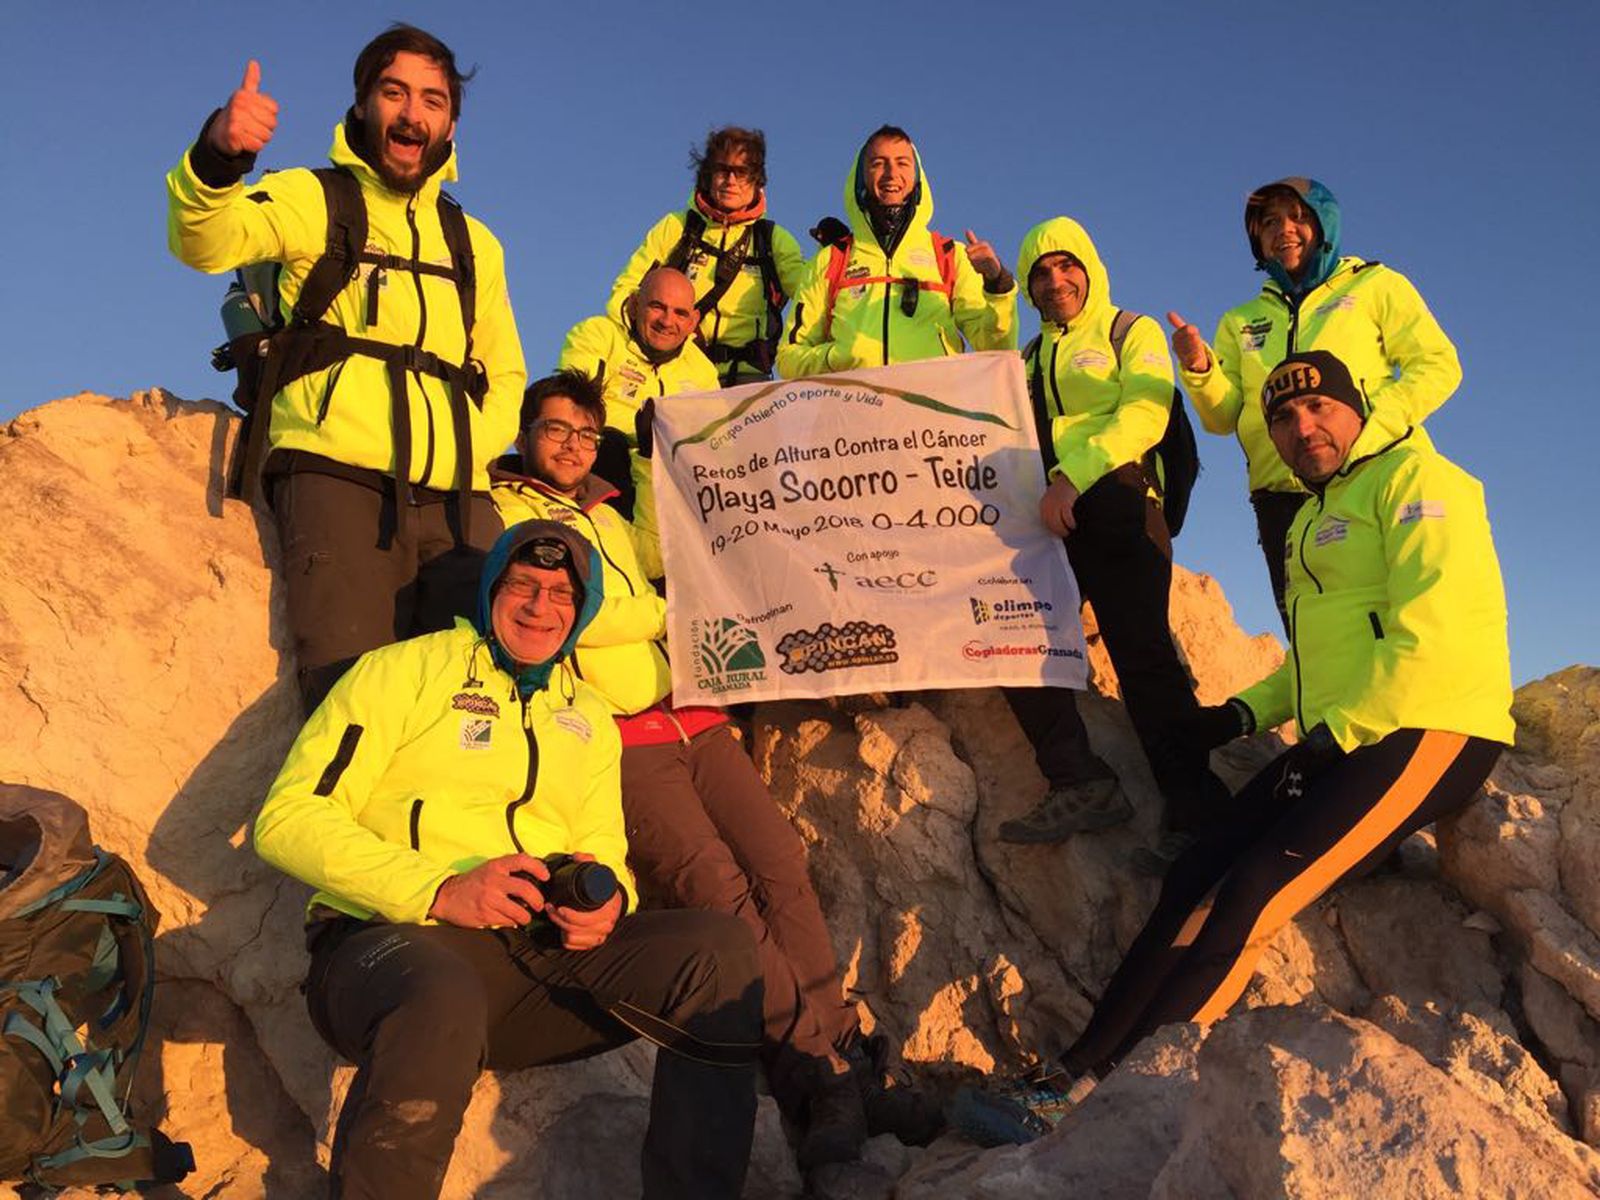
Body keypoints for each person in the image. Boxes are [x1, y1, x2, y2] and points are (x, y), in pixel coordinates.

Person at [951, 349, 1512, 1147]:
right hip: (1352, 734)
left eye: (1319, 408)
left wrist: (1330, 743)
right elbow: (1324, 660)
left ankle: (1112, 1095)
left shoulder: (1423, 482)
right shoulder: (1319, 512)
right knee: (1194, 871)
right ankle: (1073, 1069)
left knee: (1251, 890)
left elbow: (1432, 639)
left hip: (1434, 728)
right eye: (1283, 417)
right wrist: (1236, 717)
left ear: (1359, 410)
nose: (1301, 426)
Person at [493, 371, 939, 1168]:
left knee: (780, 864)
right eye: (556, 429)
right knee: (717, 893)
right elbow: (576, 610)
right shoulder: (505, 510)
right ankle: (817, 1079)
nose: (571, 446)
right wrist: (671, 612)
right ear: (526, 431)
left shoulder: (607, 509)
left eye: (587, 435)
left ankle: (843, 1049)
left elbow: (671, 558)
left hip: (693, 714)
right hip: (621, 735)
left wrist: (655, 467)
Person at [253, 518, 764, 1199]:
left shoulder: (586, 714)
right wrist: (439, 889)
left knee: (720, 951)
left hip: (532, 963)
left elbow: (602, 843)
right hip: (388, 952)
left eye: (560, 592)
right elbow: (286, 818)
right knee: (442, 991)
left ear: (581, 610)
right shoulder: (401, 671)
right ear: (493, 587)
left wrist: (606, 905)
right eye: (522, 584)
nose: (538, 606)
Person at [167, 25, 527, 714]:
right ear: (363, 105)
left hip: (458, 504)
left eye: (433, 99)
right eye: (394, 93)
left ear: (452, 120)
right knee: (350, 703)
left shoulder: (476, 243)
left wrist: (470, 452)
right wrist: (218, 156)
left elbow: (506, 370)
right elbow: (203, 240)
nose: (413, 114)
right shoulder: (312, 198)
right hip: (337, 484)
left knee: (475, 708)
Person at [999, 218, 1228, 859]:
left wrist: (1074, 475)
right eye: (1040, 272)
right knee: (1017, 641)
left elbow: (1146, 412)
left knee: (1144, 660)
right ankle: (1081, 783)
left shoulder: (1132, 330)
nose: (1055, 280)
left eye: (1067, 266)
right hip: (1055, 515)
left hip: (1122, 502)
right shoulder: (1026, 357)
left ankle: (1198, 816)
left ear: (1091, 268)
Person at [1166, 177, 1460, 624]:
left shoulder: (1375, 285)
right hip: (1280, 501)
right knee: (1314, 635)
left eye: (1298, 216)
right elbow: (1223, 418)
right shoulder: (1240, 321)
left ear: (1324, 224)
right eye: (1269, 221)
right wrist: (1199, 369)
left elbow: (1439, 365)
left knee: (1395, 621)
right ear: (1256, 239)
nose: (1284, 228)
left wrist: (1370, 435)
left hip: (1371, 479)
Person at [776, 125, 1016, 377]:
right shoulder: (830, 259)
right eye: (878, 163)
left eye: (902, 163)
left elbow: (995, 349)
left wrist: (996, 284)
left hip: (931, 411)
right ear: (861, 176)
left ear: (916, 175)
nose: (891, 174)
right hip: (854, 412)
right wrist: (840, 356)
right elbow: (789, 359)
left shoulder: (949, 255)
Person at [608, 128, 808, 386]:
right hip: (678, 372)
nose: (730, 180)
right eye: (722, 170)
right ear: (708, 175)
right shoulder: (676, 227)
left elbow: (811, 295)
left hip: (747, 378)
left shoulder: (772, 239)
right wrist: (651, 343)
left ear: (758, 180)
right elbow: (625, 291)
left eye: (742, 172)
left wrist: (835, 255)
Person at [559, 267, 720, 519]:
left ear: (693, 321)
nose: (667, 321)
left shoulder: (702, 371)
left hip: (667, 480)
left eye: (680, 313)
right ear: (634, 305)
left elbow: (714, 442)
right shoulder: (599, 334)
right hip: (605, 472)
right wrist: (647, 435)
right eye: (657, 306)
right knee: (608, 442)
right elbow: (572, 406)